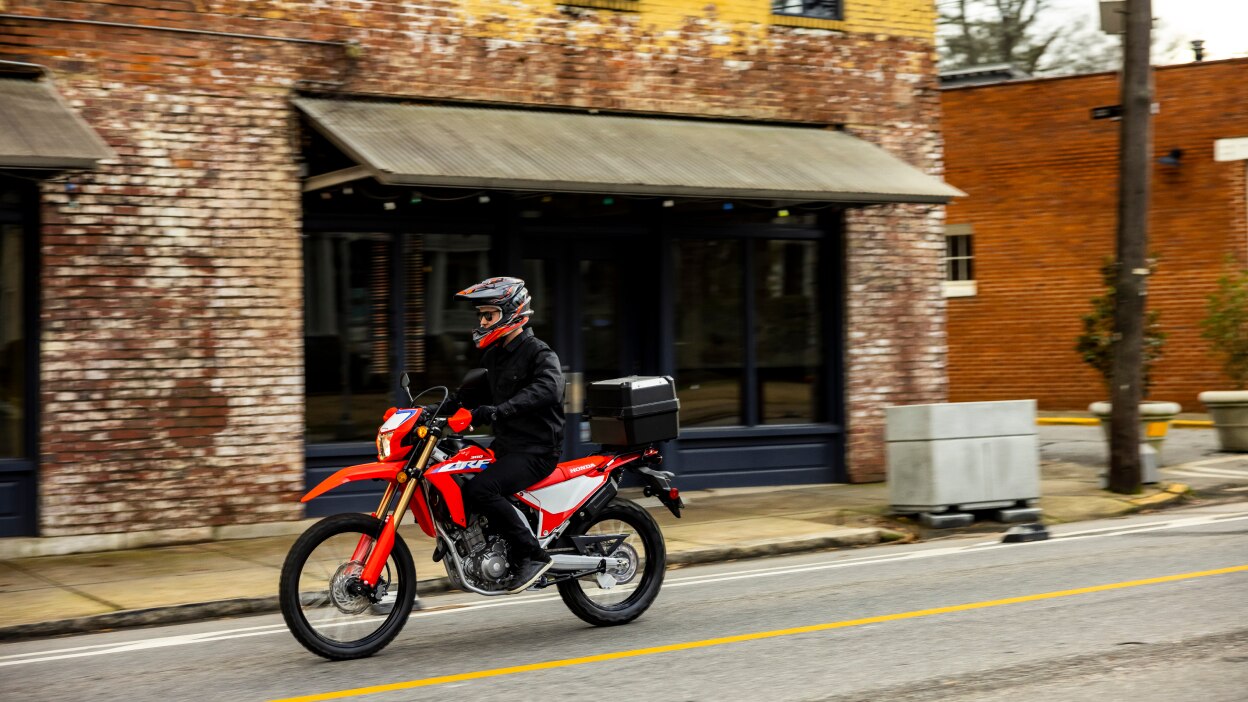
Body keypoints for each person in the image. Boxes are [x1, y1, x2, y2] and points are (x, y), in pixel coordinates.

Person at [454, 276, 565, 593]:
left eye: (489, 315)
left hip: (536, 451)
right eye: (481, 316)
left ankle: (533, 555)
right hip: (507, 447)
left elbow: (549, 388)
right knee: (460, 477)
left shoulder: (538, 353)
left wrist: (498, 411)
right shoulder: (494, 356)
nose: (482, 322)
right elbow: (466, 398)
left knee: (481, 489)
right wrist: (425, 412)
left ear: (511, 312)